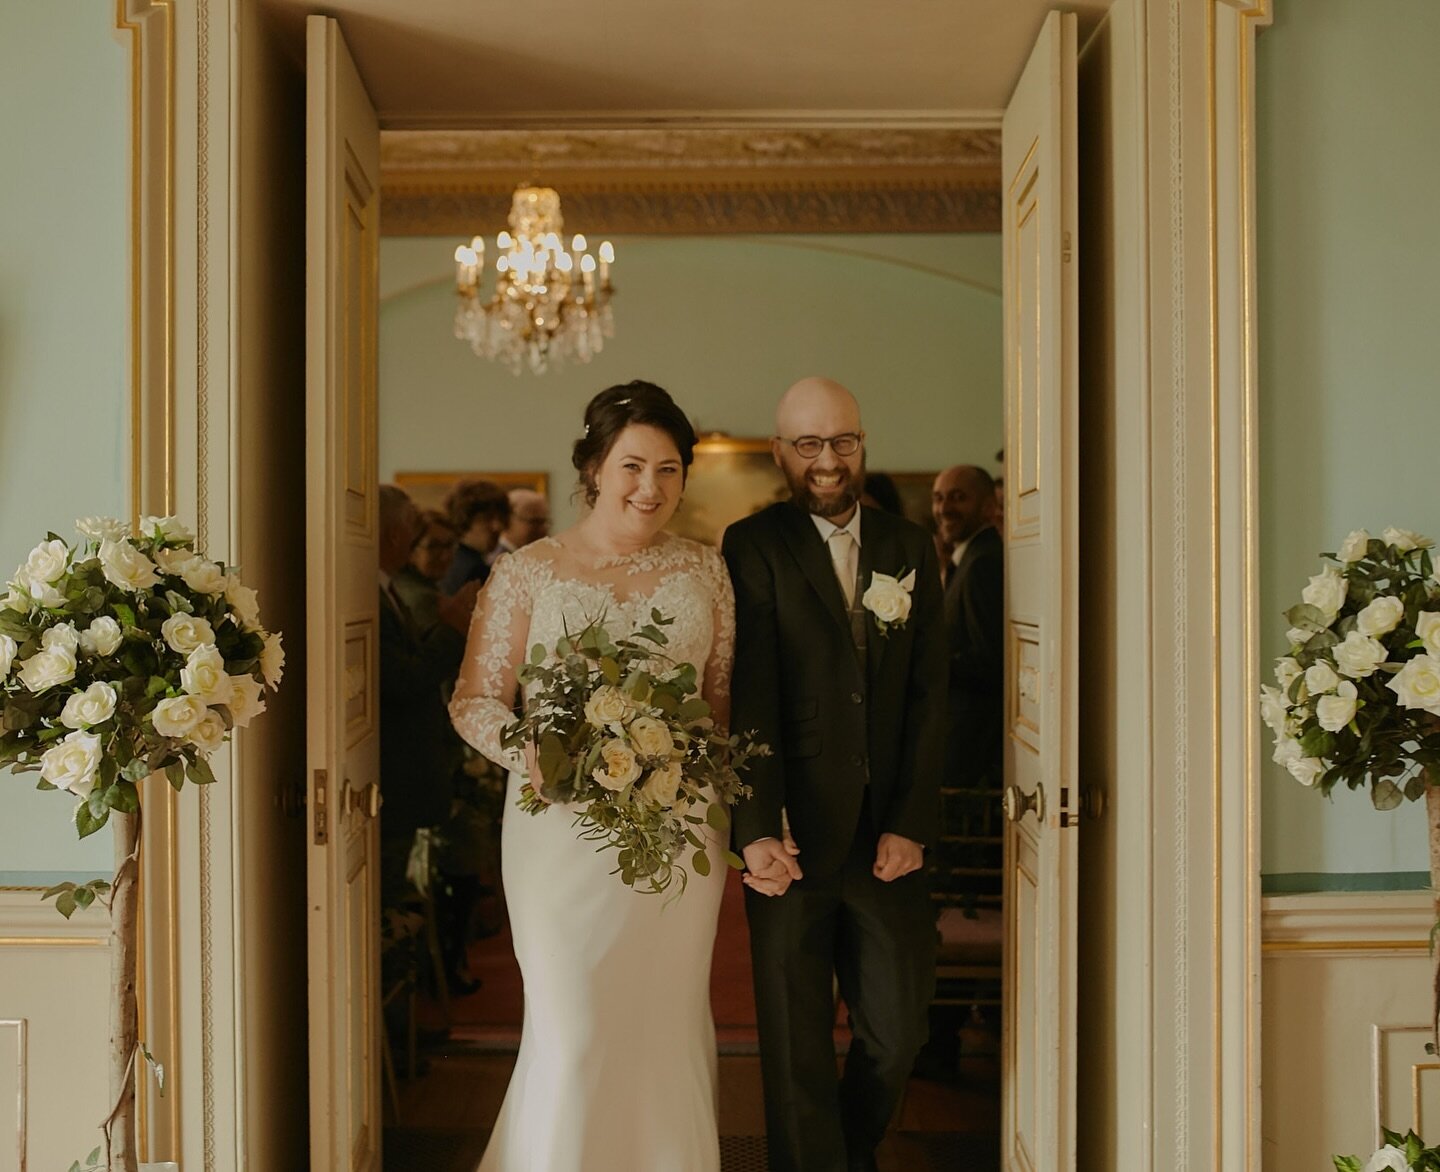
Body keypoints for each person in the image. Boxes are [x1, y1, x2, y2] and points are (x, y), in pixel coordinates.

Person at [449, 380, 735, 1172]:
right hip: (560, 831)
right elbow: (473, 702)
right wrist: (531, 750)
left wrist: (702, 778)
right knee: (574, 1028)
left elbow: (717, 707)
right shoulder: (528, 573)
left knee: (666, 1022)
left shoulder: (708, 573)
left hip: (678, 834)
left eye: (671, 469)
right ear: (594, 467)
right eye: (634, 465)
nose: (652, 488)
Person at [722, 377, 947, 1172]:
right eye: (809, 444)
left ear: (862, 445)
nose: (828, 460)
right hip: (791, 839)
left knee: (898, 1030)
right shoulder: (751, 547)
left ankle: (845, 1156)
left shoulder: (910, 547)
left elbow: (929, 694)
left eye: (842, 441)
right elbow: (747, 693)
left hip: (889, 838)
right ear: (781, 452)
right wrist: (754, 828)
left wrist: (914, 821)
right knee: (795, 1045)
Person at [378, 487, 479, 875]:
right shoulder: (384, 592)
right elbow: (405, 677)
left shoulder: (389, 588)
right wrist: (453, 625)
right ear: (396, 535)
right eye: (414, 531)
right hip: (398, 771)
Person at [931, 465, 1004, 791]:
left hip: (973, 745)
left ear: (989, 506)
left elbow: (990, 660)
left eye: (958, 498)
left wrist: (925, 661)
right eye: (939, 498)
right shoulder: (966, 560)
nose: (944, 508)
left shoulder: (983, 563)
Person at [440, 478, 510, 594]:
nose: (497, 526)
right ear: (464, 519)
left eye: (501, 518)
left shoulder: (451, 559)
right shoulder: (475, 570)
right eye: (487, 518)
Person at [393, 508, 458, 635]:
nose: (445, 556)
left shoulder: (404, 585)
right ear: (410, 550)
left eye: (449, 545)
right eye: (433, 546)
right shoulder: (424, 599)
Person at [487, 487, 551, 564]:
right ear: (506, 520)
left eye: (544, 521)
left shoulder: (545, 557)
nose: (542, 529)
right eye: (534, 521)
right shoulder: (497, 562)